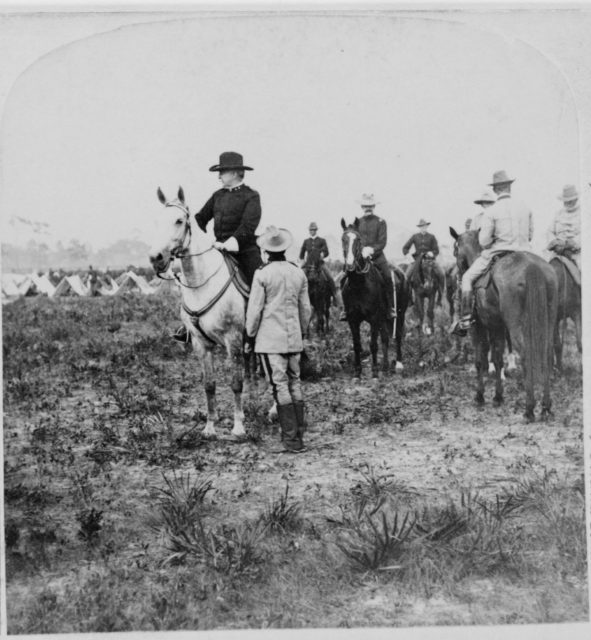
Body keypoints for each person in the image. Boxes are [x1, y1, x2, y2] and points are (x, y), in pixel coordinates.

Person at [173, 151, 263, 342]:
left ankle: (268, 322)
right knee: (195, 281)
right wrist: (199, 236)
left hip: (245, 251)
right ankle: (190, 326)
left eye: (222, 172)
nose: (219, 176)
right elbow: (199, 219)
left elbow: (248, 225)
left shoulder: (252, 196)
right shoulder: (217, 196)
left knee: (261, 283)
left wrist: (231, 243)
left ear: (235, 173)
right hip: (218, 250)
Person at [246, 226, 311, 453]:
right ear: (285, 248)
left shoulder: (262, 274)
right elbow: (306, 309)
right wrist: (301, 333)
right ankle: (299, 435)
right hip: (294, 339)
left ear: (265, 250)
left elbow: (254, 311)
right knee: (296, 382)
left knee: (279, 385)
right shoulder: (297, 272)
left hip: (270, 341)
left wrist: (249, 335)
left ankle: (291, 440)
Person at [451, 170, 533, 337]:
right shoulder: (525, 207)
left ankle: (465, 319)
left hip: (499, 252)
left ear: (496, 190)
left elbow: (484, 242)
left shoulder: (491, 212)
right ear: (509, 187)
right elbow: (530, 235)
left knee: (466, 277)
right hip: (525, 253)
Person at [340, 193, 395, 320]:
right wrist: (359, 252)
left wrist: (371, 250)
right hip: (360, 258)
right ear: (362, 207)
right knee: (344, 278)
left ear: (374, 206)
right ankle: (346, 309)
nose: (367, 208)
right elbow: (354, 241)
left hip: (377, 256)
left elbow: (382, 242)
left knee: (387, 276)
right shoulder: (357, 222)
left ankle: (390, 308)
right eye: (365, 206)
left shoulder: (381, 222)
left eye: (370, 205)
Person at [299, 222, 337, 301]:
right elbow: (301, 253)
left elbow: (327, 252)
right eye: (310, 230)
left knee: (329, 277)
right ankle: (298, 298)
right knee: (299, 278)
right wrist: (302, 261)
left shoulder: (322, 240)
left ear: (316, 230)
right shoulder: (306, 241)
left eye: (313, 230)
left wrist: (323, 254)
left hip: (320, 264)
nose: (312, 231)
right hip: (308, 264)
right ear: (309, 231)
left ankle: (335, 296)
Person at [402, 218, 445, 287]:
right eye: (422, 226)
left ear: (427, 226)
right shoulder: (415, 236)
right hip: (416, 260)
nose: (423, 228)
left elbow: (436, 250)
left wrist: (432, 253)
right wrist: (410, 258)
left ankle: (441, 293)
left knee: (442, 274)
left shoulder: (432, 237)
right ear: (419, 227)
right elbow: (405, 248)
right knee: (406, 276)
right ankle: (407, 294)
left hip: (430, 260)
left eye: (425, 226)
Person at [547, 184, 581, 271]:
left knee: (585, 272)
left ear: (576, 199)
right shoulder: (558, 214)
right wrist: (555, 243)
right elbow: (550, 231)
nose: (568, 203)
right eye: (566, 201)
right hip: (559, 252)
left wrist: (572, 243)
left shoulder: (583, 214)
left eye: (570, 201)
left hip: (576, 254)